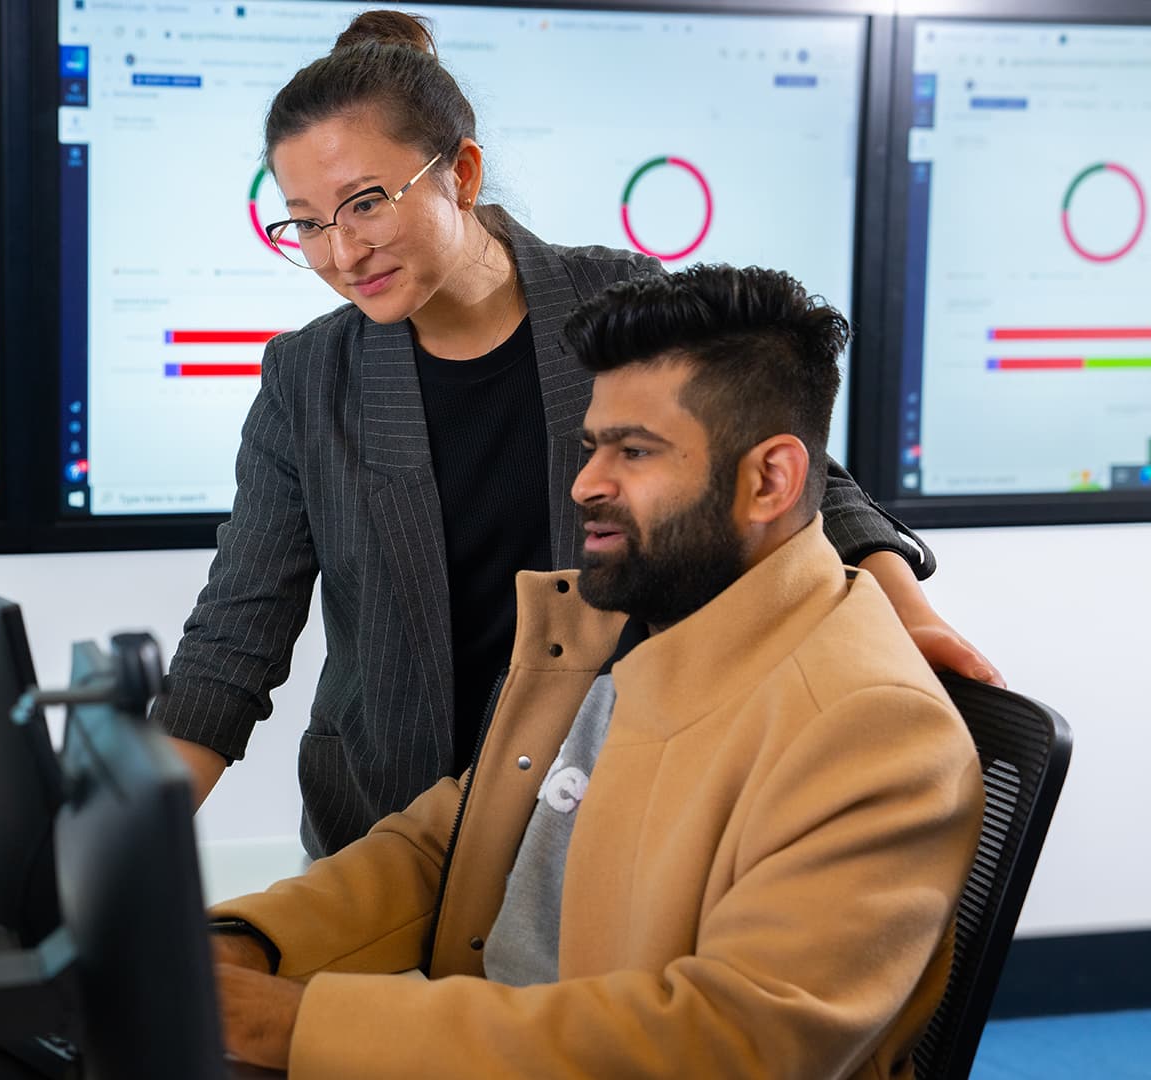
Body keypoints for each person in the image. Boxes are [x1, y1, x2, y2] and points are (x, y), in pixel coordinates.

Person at [152, 10, 997, 859]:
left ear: (464, 174)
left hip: (601, 817)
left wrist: (905, 608)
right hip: (384, 828)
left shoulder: (614, 303)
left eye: (366, 203)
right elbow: (233, 638)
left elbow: (792, 466)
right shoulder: (309, 378)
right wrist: (113, 849)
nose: (341, 252)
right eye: (306, 222)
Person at [204, 264, 985, 1077]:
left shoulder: (870, 730)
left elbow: (725, 1046)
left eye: (634, 452)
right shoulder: (627, 626)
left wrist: (296, 1025)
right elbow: (451, 843)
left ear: (771, 480)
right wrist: (243, 947)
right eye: (591, 447)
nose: (586, 483)